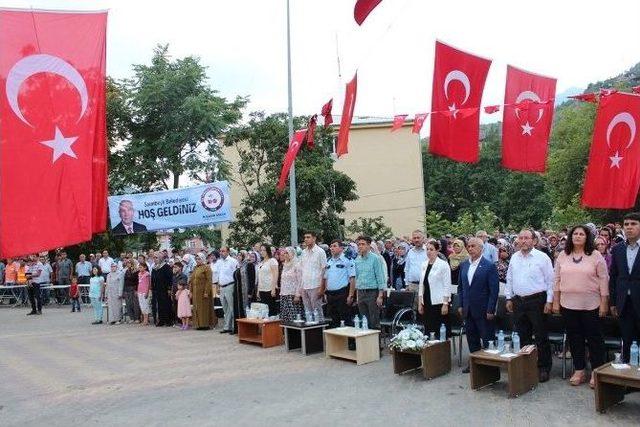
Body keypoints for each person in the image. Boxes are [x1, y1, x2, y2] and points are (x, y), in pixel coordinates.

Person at [553, 225, 609, 388]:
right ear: (571, 237)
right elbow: (556, 280)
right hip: (568, 304)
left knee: (594, 339)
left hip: (591, 305)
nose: (577, 236)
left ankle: (596, 371)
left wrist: (604, 303)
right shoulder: (563, 255)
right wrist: (556, 301)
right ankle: (579, 369)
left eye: (581, 234)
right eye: (575, 234)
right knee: (574, 338)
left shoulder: (596, 255)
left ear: (587, 237)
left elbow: (604, 279)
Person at [505, 229, 555, 383]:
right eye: (521, 238)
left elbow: (550, 281)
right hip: (518, 301)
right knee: (523, 335)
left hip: (537, 301)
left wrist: (549, 300)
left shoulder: (542, 257)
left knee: (540, 336)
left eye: (527, 238)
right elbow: (510, 279)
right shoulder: (514, 257)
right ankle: (527, 365)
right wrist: (508, 298)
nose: (523, 241)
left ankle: (543, 368)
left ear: (534, 241)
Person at [458, 237, 499, 373]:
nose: (470, 249)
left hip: (483, 309)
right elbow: (461, 287)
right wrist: (460, 304)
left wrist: (490, 309)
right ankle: (475, 363)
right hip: (468, 309)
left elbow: (494, 290)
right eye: (468, 246)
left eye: (473, 246)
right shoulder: (464, 265)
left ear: (481, 248)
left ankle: (489, 365)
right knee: (471, 337)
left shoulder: (489, 266)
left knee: (487, 338)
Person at [610, 212, 640, 363]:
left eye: (633, 224)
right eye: (626, 224)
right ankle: (628, 378)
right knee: (627, 339)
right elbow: (614, 277)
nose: (629, 227)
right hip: (624, 302)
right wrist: (614, 302)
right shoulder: (617, 249)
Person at [418, 240, 452, 336]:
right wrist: (420, 303)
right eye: (427, 249)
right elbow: (422, 284)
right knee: (428, 328)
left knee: (439, 329)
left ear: (437, 251)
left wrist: (445, 304)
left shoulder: (443, 264)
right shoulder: (424, 264)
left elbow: (447, 285)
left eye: (431, 249)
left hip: (439, 302)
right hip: (427, 300)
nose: (429, 252)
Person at [322, 240, 356, 328]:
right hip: (330, 294)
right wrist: (325, 292)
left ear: (341, 248)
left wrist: (351, 295)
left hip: (342, 293)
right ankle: (337, 341)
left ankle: (350, 341)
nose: (332, 248)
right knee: (334, 319)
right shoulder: (328, 261)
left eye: (334, 246)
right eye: (331, 246)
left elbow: (352, 278)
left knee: (345, 318)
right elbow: (326, 278)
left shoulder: (347, 260)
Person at [354, 236, 386, 329]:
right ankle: (366, 342)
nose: (360, 246)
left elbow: (380, 276)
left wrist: (380, 295)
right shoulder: (357, 259)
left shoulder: (375, 258)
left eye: (363, 244)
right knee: (364, 319)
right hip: (361, 292)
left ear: (368, 245)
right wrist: (357, 295)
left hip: (372, 292)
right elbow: (357, 277)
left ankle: (376, 342)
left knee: (374, 320)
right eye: (359, 244)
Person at [299, 231, 327, 315]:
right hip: (305, 285)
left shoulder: (320, 252)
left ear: (314, 238)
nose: (306, 239)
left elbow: (324, 270)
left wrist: (322, 288)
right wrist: (301, 286)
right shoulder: (303, 252)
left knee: (317, 311)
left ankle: (319, 328)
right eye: (305, 237)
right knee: (307, 312)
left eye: (308, 237)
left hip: (316, 285)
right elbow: (302, 269)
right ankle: (310, 328)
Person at [214, 247, 239, 334]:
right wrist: (217, 286)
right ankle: (227, 326)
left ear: (228, 252)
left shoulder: (233, 261)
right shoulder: (219, 262)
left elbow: (236, 274)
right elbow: (217, 275)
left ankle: (233, 327)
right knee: (225, 308)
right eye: (220, 251)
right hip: (221, 286)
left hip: (230, 285)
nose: (221, 253)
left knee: (232, 307)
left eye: (223, 251)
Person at [189, 253, 216, 330]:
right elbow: (191, 280)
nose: (197, 260)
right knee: (197, 308)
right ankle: (198, 324)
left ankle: (205, 324)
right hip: (195, 293)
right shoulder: (195, 268)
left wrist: (206, 292)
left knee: (204, 308)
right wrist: (190, 291)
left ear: (203, 259)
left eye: (199, 259)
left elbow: (209, 280)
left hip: (203, 292)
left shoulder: (206, 268)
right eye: (196, 259)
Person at [279, 247, 304, 323]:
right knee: (286, 317)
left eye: (287, 253)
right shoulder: (285, 265)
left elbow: (300, 281)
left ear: (292, 254)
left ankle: (295, 334)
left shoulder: (297, 264)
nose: (285, 255)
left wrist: (297, 295)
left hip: (293, 295)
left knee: (294, 317)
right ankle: (287, 334)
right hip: (284, 294)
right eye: (284, 253)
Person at [151, 253, 173, 326]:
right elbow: (152, 279)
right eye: (154, 258)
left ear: (161, 258)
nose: (155, 259)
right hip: (157, 289)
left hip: (165, 289)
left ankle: (168, 321)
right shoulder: (154, 267)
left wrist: (169, 288)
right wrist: (152, 289)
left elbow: (170, 278)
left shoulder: (166, 266)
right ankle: (161, 320)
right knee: (159, 305)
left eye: (156, 258)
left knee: (166, 304)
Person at [257, 244, 279, 316]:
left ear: (268, 251)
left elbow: (275, 275)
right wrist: (258, 290)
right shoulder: (261, 263)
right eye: (261, 250)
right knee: (264, 310)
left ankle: (273, 326)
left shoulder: (272, 260)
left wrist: (273, 289)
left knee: (271, 310)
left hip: (270, 288)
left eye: (264, 250)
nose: (262, 252)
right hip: (262, 289)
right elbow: (259, 277)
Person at [404, 230, 427, 299]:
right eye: (414, 238)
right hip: (412, 286)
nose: (416, 240)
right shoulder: (410, 252)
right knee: (413, 308)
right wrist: (407, 284)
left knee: (425, 308)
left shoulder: (428, 251)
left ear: (423, 238)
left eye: (418, 237)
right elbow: (407, 269)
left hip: (425, 286)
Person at [172, 262, 188, 326]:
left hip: (181, 294)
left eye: (176, 267)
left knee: (181, 308)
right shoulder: (174, 276)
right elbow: (173, 285)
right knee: (175, 307)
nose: (174, 268)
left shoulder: (183, 276)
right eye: (174, 267)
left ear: (180, 268)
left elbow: (183, 286)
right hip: (175, 293)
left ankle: (182, 322)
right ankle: (178, 321)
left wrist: (178, 294)